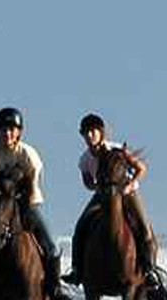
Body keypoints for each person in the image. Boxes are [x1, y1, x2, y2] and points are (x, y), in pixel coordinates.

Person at [0, 107, 71, 300]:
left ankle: (55, 288)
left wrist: (17, 200)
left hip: (27, 206)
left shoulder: (28, 154)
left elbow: (33, 186)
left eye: (12, 129)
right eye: (4, 129)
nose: (8, 133)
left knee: (51, 246)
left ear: (19, 131)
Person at [63, 113, 159, 287]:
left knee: (145, 228)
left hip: (127, 193)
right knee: (80, 226)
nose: (90, 135)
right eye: (86, 133)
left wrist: (130, 184)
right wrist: (95, 186)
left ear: (101, 132)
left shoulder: (117, 150)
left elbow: (141, 168)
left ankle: (149, 270)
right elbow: (87, 182)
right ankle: (77, 270)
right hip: (103, 195)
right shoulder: (84, 159)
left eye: (93, 131)